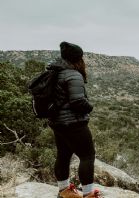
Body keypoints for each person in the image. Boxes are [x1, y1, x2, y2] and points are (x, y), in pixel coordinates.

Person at [47, 41, 101, 198]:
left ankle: (64, 191)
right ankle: (88, 194)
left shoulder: (55, 71)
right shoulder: (73, 74)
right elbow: (77, 101)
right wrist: (89, 107)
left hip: (57, 122)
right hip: (73, 123)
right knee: (87, 156)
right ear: (78, 58)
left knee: (63, 154)